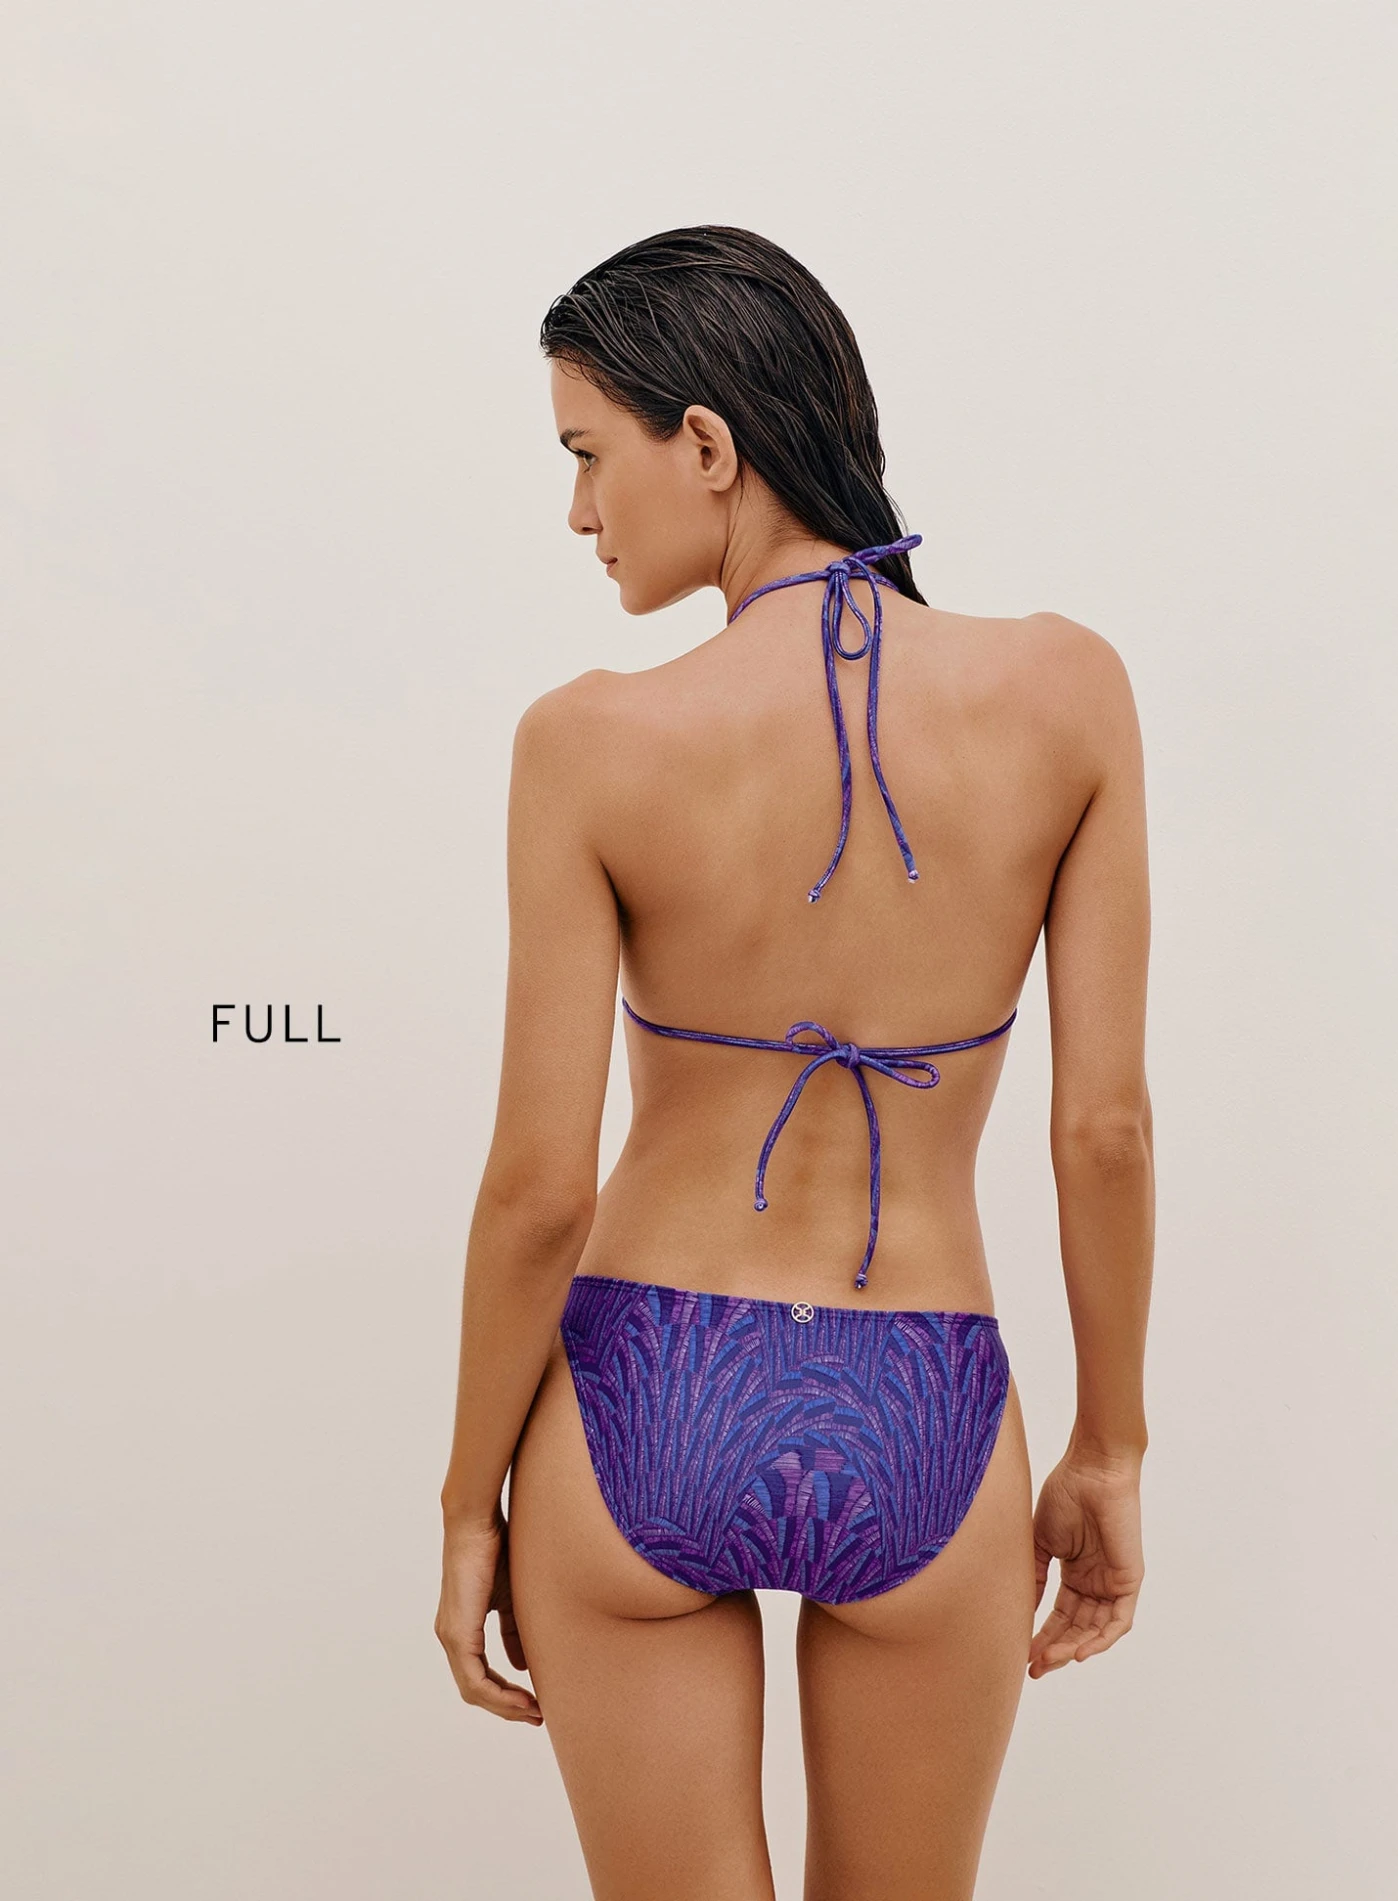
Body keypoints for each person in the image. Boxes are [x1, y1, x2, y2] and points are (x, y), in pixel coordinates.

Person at [436, 225, 1153, 1901]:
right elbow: (1105, 1130)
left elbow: (538, 1191)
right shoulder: (1068, 692)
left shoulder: (588, 742)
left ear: (705, 443)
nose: (579, 512)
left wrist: (470, 1503)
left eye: (587, 455)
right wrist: (1109, 1447)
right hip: (928, 1404)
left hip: (642, 1400)